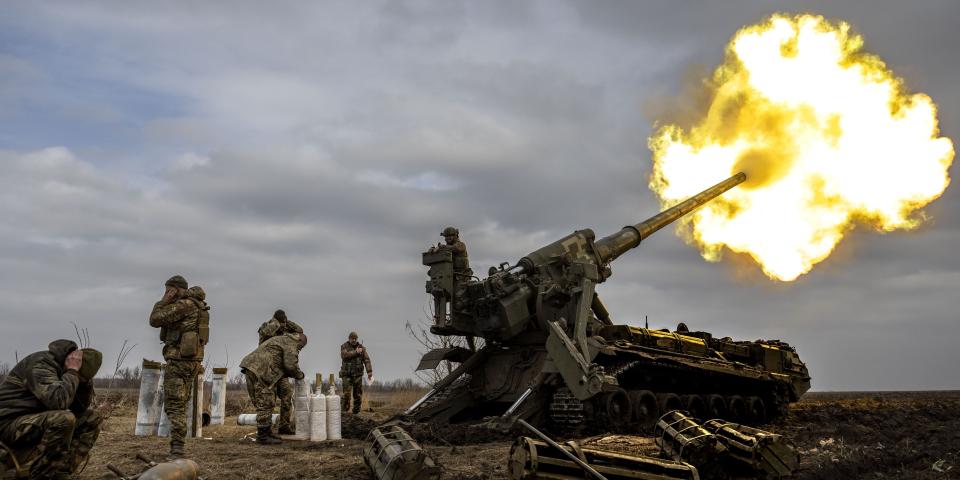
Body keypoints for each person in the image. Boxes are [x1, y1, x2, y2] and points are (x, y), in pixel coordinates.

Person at [0, 340, 103, 479]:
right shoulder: (41, 364)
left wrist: (83, 385)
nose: (77, 380)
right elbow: (58, 402)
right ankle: (42, 476)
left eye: (81, 379)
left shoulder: (67, 371)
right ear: (68, 362)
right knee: (63, 419)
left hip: (31, 421)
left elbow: (79, 409)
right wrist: (73, 372)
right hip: (8, 422)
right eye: (79, 378)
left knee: (92, 418)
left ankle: (61, 472)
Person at [149, 275, 210, 458]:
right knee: (181, 404)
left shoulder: (185, 305)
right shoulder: (197, 304)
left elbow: (155, 320)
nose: (167, 293)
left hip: (178, 361)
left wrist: (162, 301)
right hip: (192, 361)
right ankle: (177, 445)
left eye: (169, 290)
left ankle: (177, 449)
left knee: (175, 406)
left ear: (175, 289)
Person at [240, 333, 307, 445]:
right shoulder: (291, 342)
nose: (299, 350)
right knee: (266, 399)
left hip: (262, 368)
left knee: (286, 392)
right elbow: (290, 365)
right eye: (300, 347)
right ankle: (263, 435)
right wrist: (300, 375)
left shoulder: (284, 340)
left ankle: (278, 427)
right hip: (261, 369)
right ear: (299, 341)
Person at [256, 309, 303, 435]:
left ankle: (284, 425)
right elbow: (265, 332)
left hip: (280, 371)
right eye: (282, 322)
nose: (283, 325)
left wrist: (287, 323)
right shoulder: (268, 327)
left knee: (287, 394)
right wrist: (277, 322)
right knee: (268, 399)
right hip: (268, 369)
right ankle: (266, 429)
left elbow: (299, 331)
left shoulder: (284, 330)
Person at [339, 332, 373, 414]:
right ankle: (344, 413)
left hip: (357, 375)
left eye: (355, 338)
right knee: (346, 395)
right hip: (346, 375)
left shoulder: (362, 348)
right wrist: (356, 352)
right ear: (349, 338)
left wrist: (369, 371)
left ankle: (356, 413)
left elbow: (367, 360)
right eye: (352, 338)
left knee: (358, 395)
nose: (354, 340)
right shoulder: (344, 346)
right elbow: (344, 355)